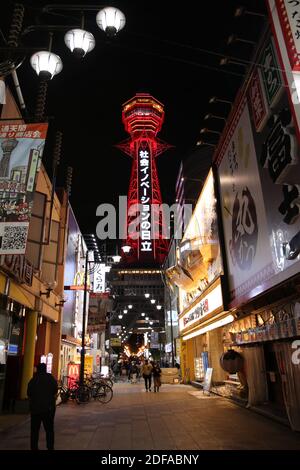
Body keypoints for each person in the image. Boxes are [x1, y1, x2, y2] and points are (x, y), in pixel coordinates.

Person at [27, 362, 58, 451]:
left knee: (34, 430)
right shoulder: (50, 378)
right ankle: (50, 447)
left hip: (35, 409)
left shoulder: (33, 379)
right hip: (48, 409)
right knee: (49, 430)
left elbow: (28, 393)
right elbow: (55, 390)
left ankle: (34, 447)